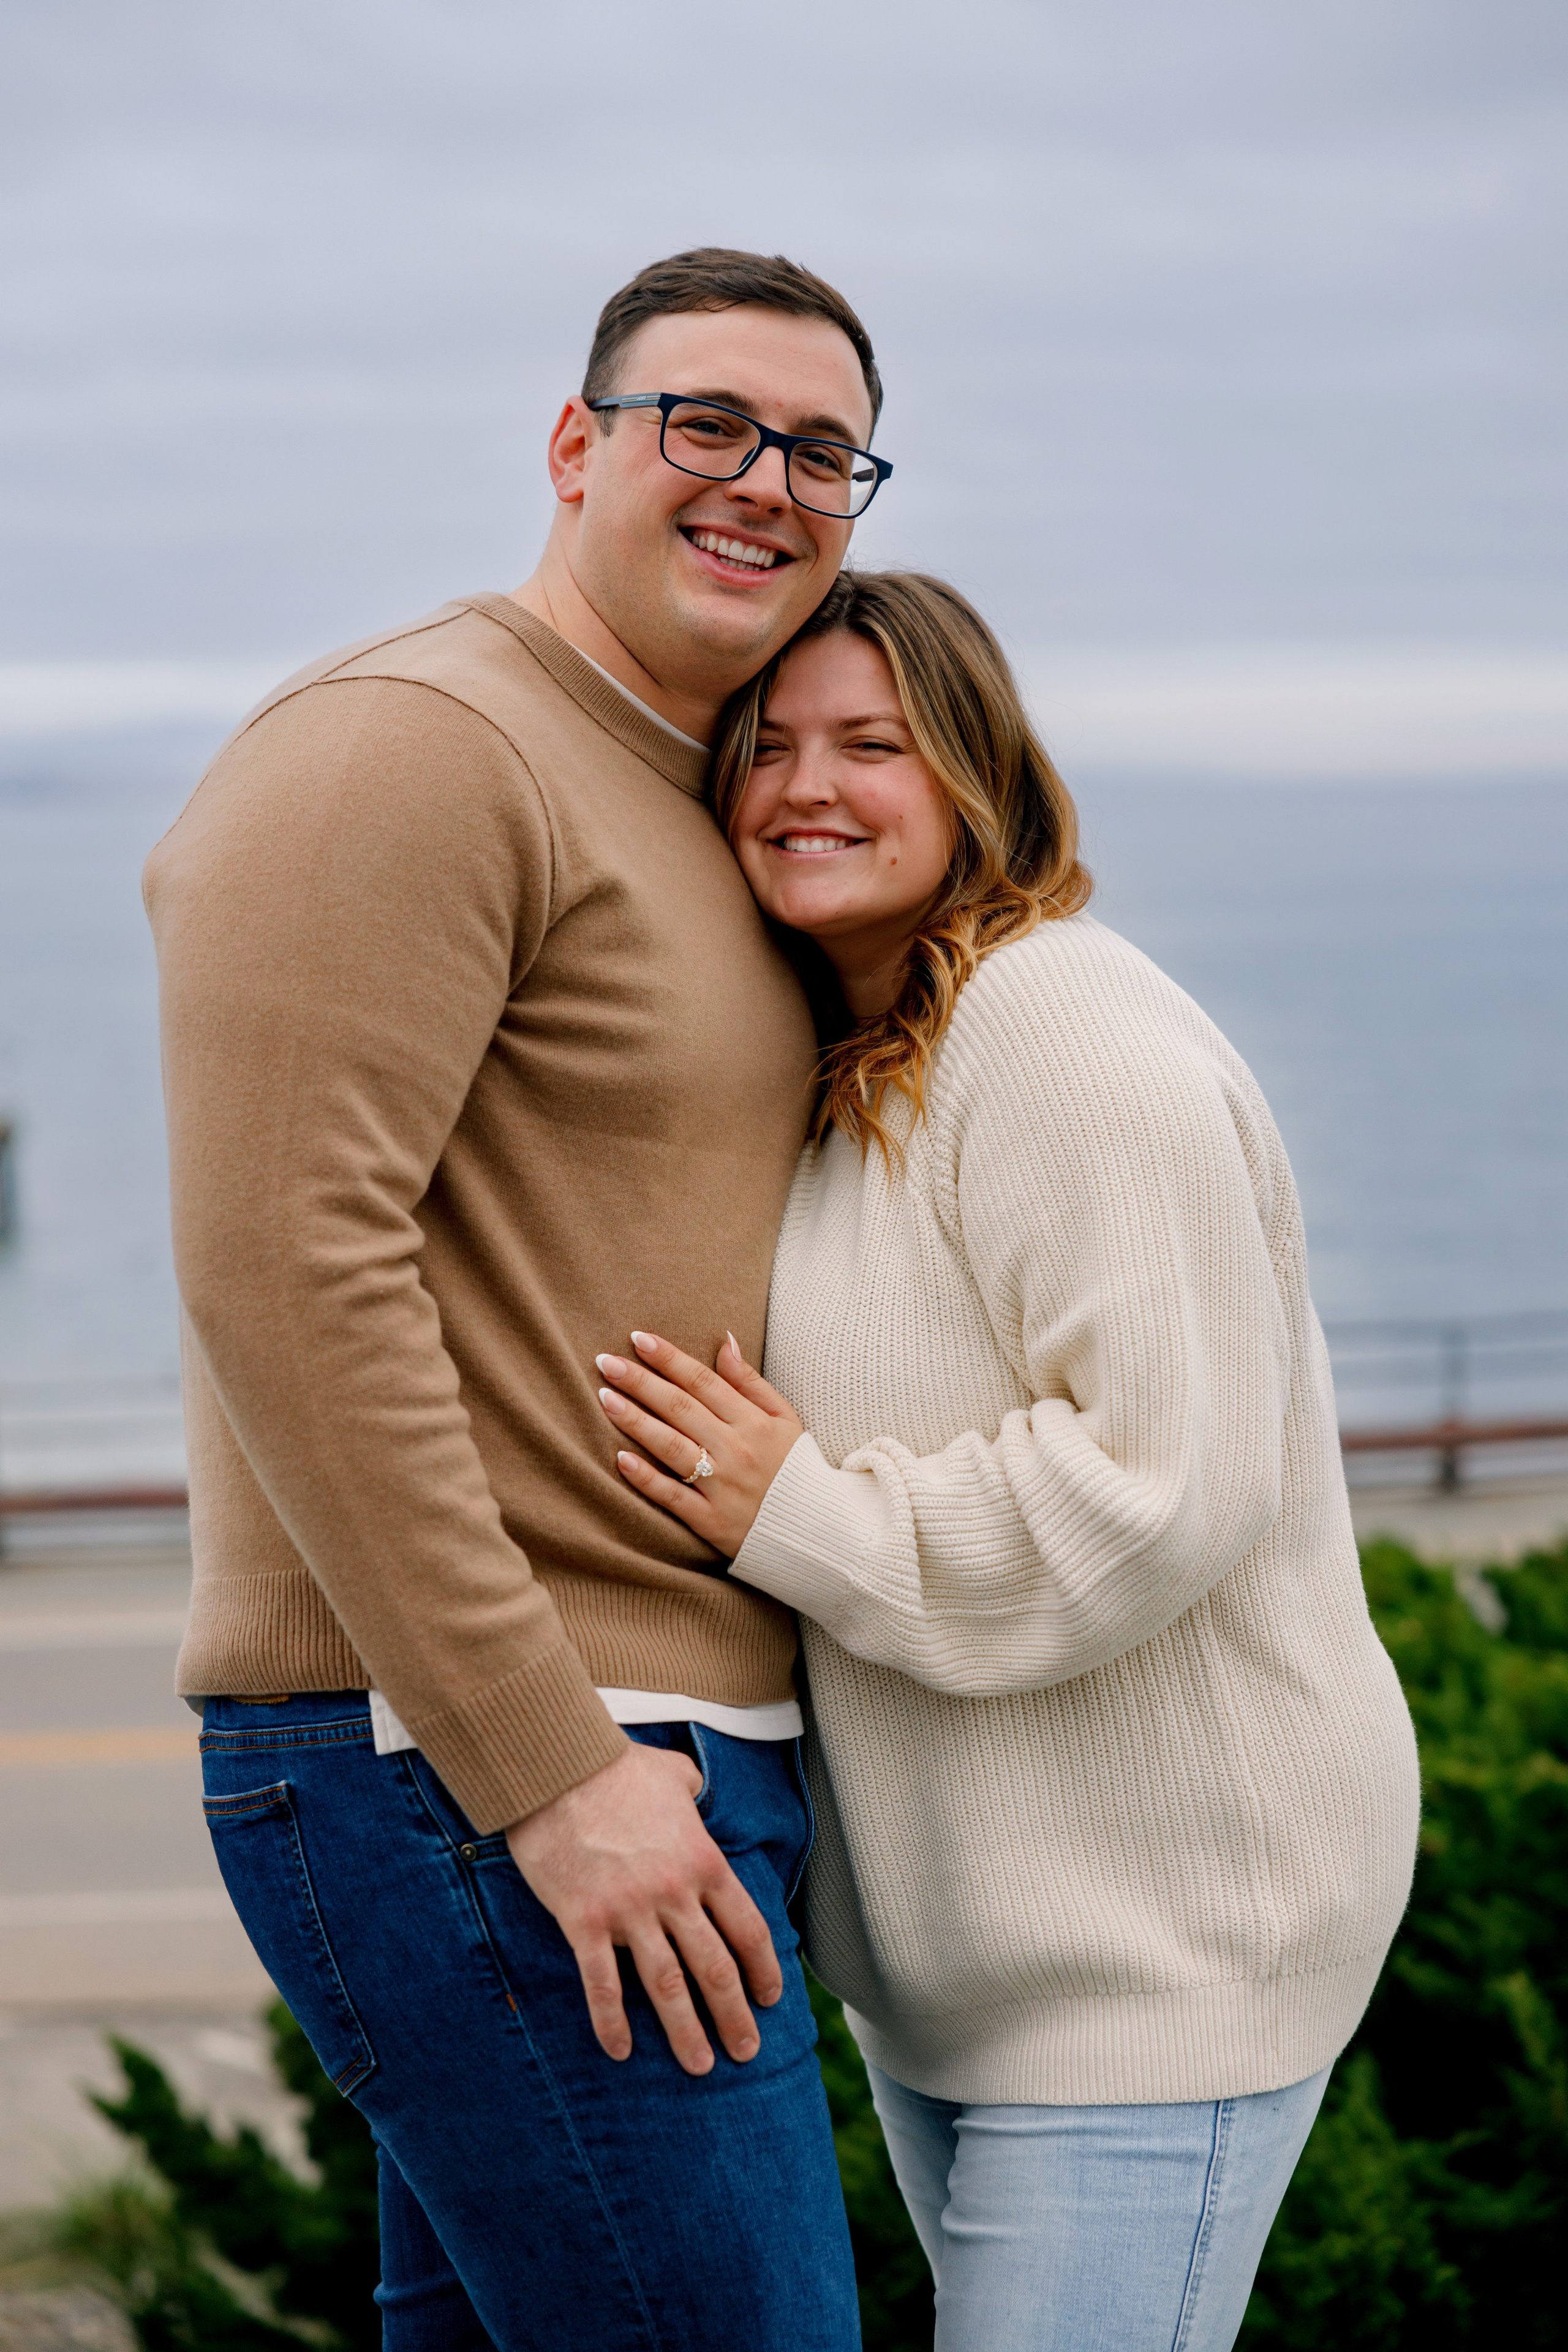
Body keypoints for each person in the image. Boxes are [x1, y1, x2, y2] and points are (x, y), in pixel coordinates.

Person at [145, 249, 895, 2352]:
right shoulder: (406, 748)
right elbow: (285, 1268)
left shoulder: (679, 785)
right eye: (708, 423)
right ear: (576, 449)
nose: (767, 477)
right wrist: (548, 1770)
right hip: (481, 1754)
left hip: (631, 1746)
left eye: (823, 448)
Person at [594, 570, 1423, 2352]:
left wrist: (793, 1515)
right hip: (971, 1962)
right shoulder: (860, 1059)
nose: (809, 785)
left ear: (981, 778)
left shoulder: (1055, 1027)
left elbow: (1161, 1480)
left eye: (872, 745)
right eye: (767, 748)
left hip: (1165, 1945)